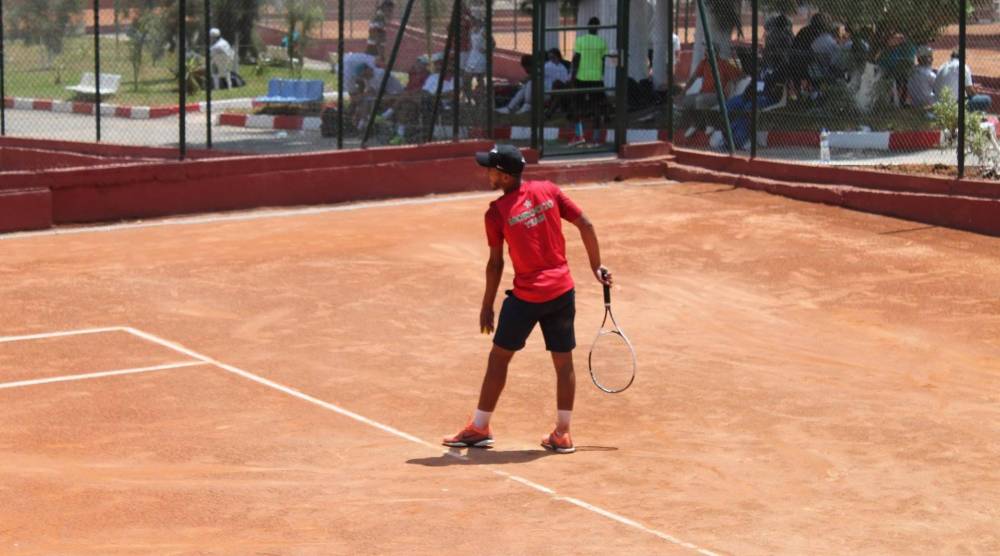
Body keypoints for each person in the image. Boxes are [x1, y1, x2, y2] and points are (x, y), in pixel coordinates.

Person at [442, 144, 613, 454]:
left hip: (527, 297)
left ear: (505, 177)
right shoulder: (548, 190)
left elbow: (496, 263)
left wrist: (487, 304)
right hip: (562, 292)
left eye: (491, 169)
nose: (487, 173)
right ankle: (563, 433)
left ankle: (479, 428)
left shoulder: (496, 213)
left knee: (499, 359)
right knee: (564, 364)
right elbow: (586, 224)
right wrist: (596, 267)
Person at [570, 17, 609, 145]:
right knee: (596, 107)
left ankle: (579, 136)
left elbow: (577, 59)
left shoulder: (580, 41)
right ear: (598, 28)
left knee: (577, 106)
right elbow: (603, 61)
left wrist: (573, 77)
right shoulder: (602, 42)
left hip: (581, 78)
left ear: (588, 27)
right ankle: (596, 138)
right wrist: (601, 74)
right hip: (596, 78)